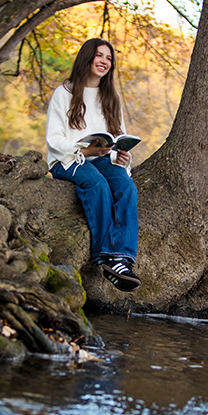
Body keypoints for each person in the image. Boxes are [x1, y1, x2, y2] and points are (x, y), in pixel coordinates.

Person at [46, 38, 140, 292]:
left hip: (102, 158)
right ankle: (107, 257)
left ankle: (122, 259)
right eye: (99, 56)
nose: (104, 62)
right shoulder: (64, 93)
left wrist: (123, 158)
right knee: (98, 185)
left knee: (126, 187)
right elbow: (54, 140)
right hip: (67, 159)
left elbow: (118, 137)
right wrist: (84, 150)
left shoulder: (111, 97)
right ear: (87, 58)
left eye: (109, 58)